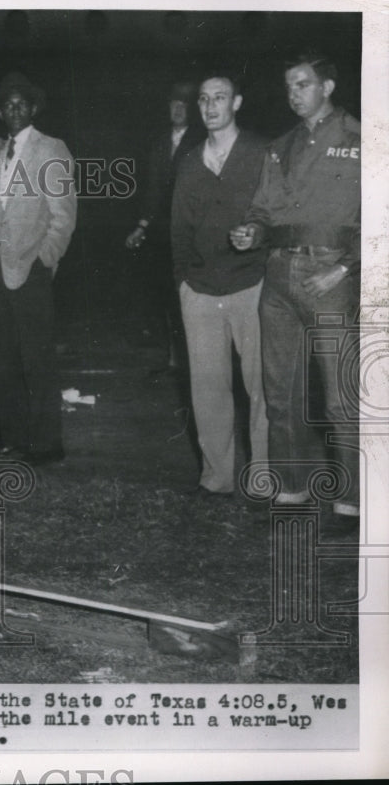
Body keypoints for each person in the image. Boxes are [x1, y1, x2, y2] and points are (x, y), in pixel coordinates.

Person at [231, 51, 360, 517]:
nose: (293, 94)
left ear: (327, 87)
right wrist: (253, 231)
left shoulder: (363, 139)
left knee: (341, 395)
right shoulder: (280, 146)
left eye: (302, 84)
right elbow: (264, 209)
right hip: (279, 274)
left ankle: (352, 499)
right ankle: (292, 488)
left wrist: (347, 268)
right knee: (280, 389)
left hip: (332, 275)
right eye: (289, 86)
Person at [171, 73, 270, 498]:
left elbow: (275, 214)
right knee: (208, 388)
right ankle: (218, 477)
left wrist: (258, 236)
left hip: (252, 284)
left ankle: (266, 477)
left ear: (237, 102)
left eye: (220, 98)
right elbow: (178, 230)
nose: (211, 106)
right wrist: (183, 285)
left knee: (262, 387)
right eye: (204, 99)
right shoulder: (190, 160)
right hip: (201, 291)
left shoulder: (261, 153)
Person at [0, 72, 77, 464]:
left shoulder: (51, 149)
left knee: (37, 359)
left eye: (22, 103)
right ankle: (12, 438)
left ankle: (48, 444)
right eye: (8, 105)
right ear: (1, 112)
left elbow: (63, 216)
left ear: (32, 108)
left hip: (30, 269)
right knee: (3, 361)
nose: (14, 110)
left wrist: (45, 257)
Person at [125, 81, 204, 373]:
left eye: (184, 105)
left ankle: (194, 357)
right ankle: (174, 356)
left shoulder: (201, 141)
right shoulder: (159, 144)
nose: (178, 110)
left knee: (191, 295)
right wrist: (141, 227)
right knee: (168, 295)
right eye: (173, 104)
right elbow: (152, 192)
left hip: (194, 232)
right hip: (163, 234)